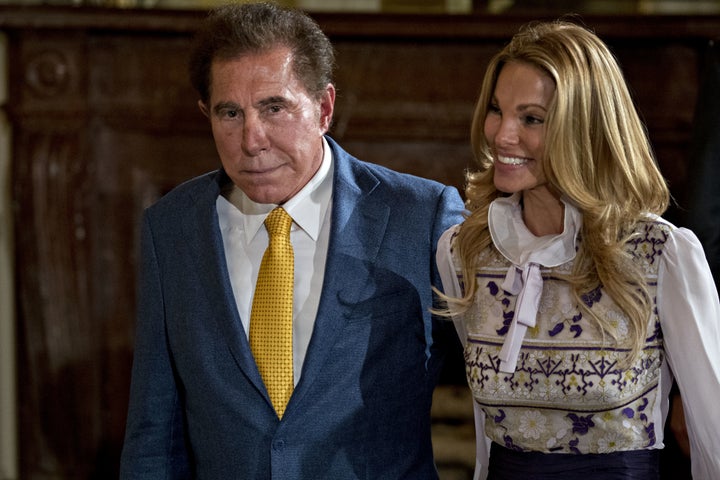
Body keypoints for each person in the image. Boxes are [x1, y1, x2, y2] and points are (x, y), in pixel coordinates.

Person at [119, 2, 465, 479]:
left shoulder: (421, 216)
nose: (251, 139)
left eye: (274, 108)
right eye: (229, 113)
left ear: (324, 108)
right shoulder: (172, 228)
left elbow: (497, 390)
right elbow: (153, 432)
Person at [435, 19, 720, 480]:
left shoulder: (661, 254)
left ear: (586, 128)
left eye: (531, 118)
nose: (502, 135)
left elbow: (714, 439)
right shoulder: (464, 251)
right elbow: (486, 441)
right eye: (496, 110)